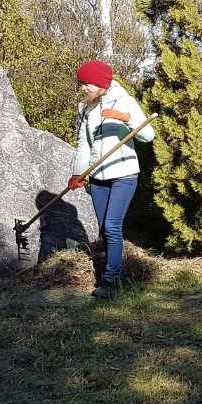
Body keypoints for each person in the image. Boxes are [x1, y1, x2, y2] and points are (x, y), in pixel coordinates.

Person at [66, 59, 156, 299]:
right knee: (104, 231)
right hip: (98, 177)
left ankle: (110, 281)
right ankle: (115, 275)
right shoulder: (85, 107)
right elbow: (84, 143)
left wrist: (125, 118)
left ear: (101, 83)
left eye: (87, 83)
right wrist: (78, 173)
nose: (83, 88)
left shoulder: (124, 100)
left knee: (112, 226)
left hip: (123, 174)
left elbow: (148, 135)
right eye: (81, 83)